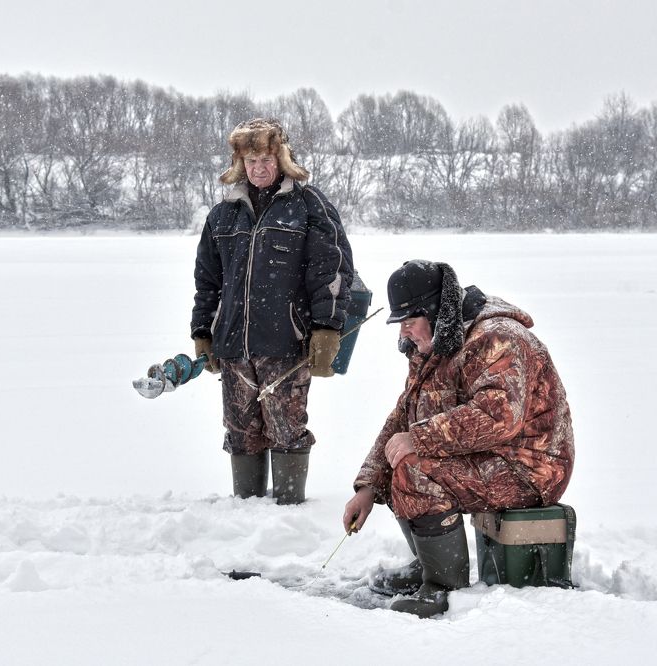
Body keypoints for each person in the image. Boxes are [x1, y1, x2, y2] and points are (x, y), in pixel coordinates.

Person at [342, 259, 574, 618]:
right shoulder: (436, 342)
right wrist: (368, 486)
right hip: (486, 454)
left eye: (409, 321)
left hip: (531, 464)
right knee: (401, 459)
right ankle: (428, 566)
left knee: (415, 468)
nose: (404, 333)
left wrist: (420, 439)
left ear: (435, 311)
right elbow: (404, 415)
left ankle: (444, 588)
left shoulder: (497, 338)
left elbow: (498, 418)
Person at [191, 118, 354, 505]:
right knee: (240, 431)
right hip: (233, 345)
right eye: (250, 160)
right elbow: (207, 282)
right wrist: (202, 332)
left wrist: (327, 329)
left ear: (281, 159)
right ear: (239, 163)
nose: (258, 168)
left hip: (286, 344)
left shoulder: (309, 207)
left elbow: (331, 272)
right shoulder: (222, 215)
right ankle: (246, 515)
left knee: (287, 429)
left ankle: (289, 515)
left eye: (265, 158)